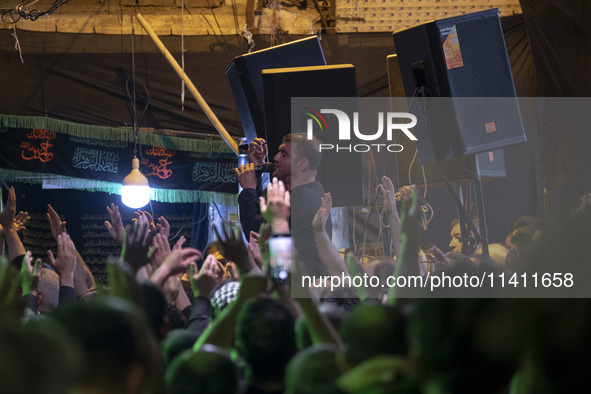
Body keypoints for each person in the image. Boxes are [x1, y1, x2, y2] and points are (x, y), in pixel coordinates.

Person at [235, 133, 330, 276]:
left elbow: (256, 232)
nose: (275, 158)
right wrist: (257, 169)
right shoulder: (303, 193)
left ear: (302, 164)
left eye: (284, 154)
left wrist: (248, 189)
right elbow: (261, 214)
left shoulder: (303, 199)